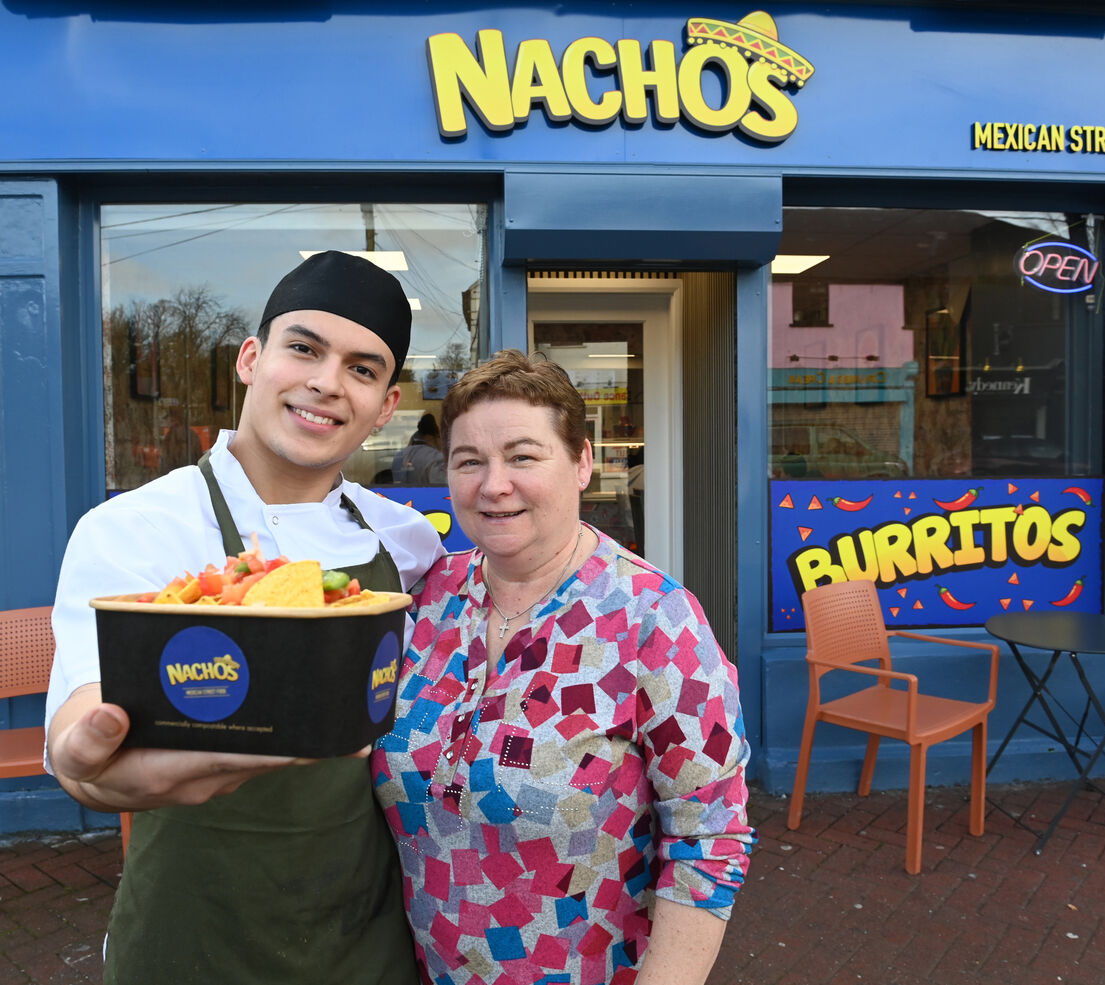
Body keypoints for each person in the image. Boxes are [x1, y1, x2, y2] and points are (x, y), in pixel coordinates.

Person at [44, 251, 445, 984]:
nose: (326, 381)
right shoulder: (137, 529)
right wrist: (90, 769)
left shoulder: (409, 543)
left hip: (365, 939)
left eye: (363, 368)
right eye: (304, 348)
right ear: (252, 359)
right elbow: (87, 716)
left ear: (386, 405)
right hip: (191, 943)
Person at [371, 350, 753, 985]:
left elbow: (709, 840)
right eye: (470, 462)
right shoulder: (429, 598)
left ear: (582, 463)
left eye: (523, 456)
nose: (494, 484)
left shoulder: (654, 618)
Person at [392, 411, 447, 485]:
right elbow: (441, 488)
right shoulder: (436, 458)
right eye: (440, 437)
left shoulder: (400, 455)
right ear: (432, 437)